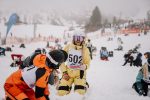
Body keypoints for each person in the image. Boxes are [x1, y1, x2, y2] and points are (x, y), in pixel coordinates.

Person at [4, 49, 68, 100]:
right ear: (55, 63)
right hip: (12, 85)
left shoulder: (40, 57)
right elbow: (39, 94)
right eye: (59, 63)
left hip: (25, 87)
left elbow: (44, 86)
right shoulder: (43, 72)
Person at [57, 30, 91, 96]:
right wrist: (64, 72)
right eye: (76, 38)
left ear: (83, 39)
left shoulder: (85, 49)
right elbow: (61, 60)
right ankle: (64, 84)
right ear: (73, 38)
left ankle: (83, 83)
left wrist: (85, 66)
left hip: (79, 74)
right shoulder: (68, 47)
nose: (78, 40)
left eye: (80, 38)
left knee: (79, 92)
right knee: (61, 92)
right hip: (68, 73)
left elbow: (87, 62)